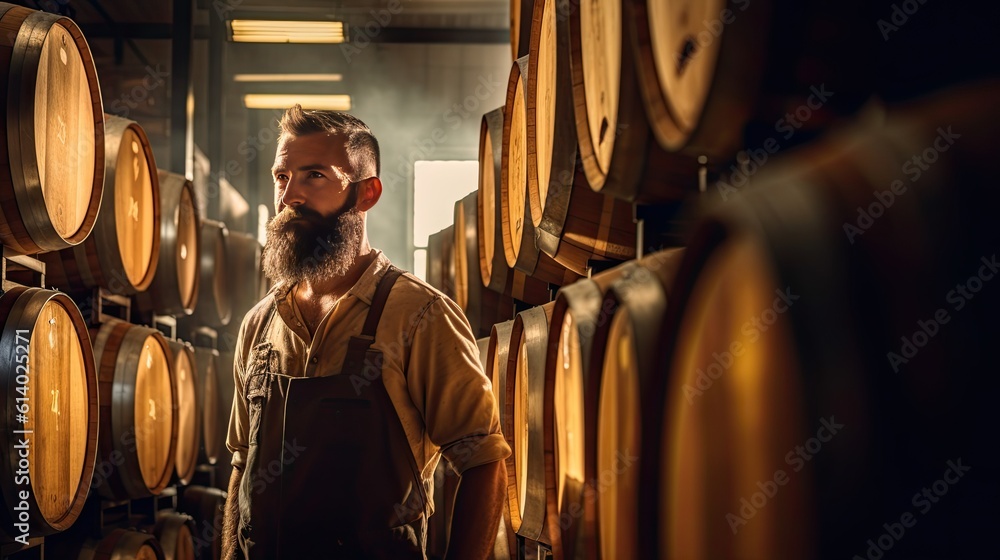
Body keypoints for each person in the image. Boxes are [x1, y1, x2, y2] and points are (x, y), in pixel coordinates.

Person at [222, 105, 510, 559]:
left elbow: (483, 460)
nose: (289, 196)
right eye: (282, 177)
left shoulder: (420, 316)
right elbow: (242, 464)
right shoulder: (259, 323)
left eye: (314, 175)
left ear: (366, 194)